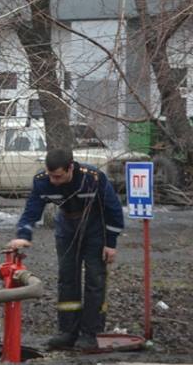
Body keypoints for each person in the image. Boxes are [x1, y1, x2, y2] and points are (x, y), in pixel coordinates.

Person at [8, 148, 125, 350]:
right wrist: (23, 236)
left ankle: (90, 332)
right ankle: (67, 331)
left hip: (95, 228)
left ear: (70, 168)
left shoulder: (93, 178)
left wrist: (111, 243)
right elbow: (32, 209)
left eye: (58, 176)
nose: (54, 181)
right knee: (67, 277)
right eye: (51, 175)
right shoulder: (42, 181)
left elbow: (113, 209)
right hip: (67, 228)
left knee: (95, 279)